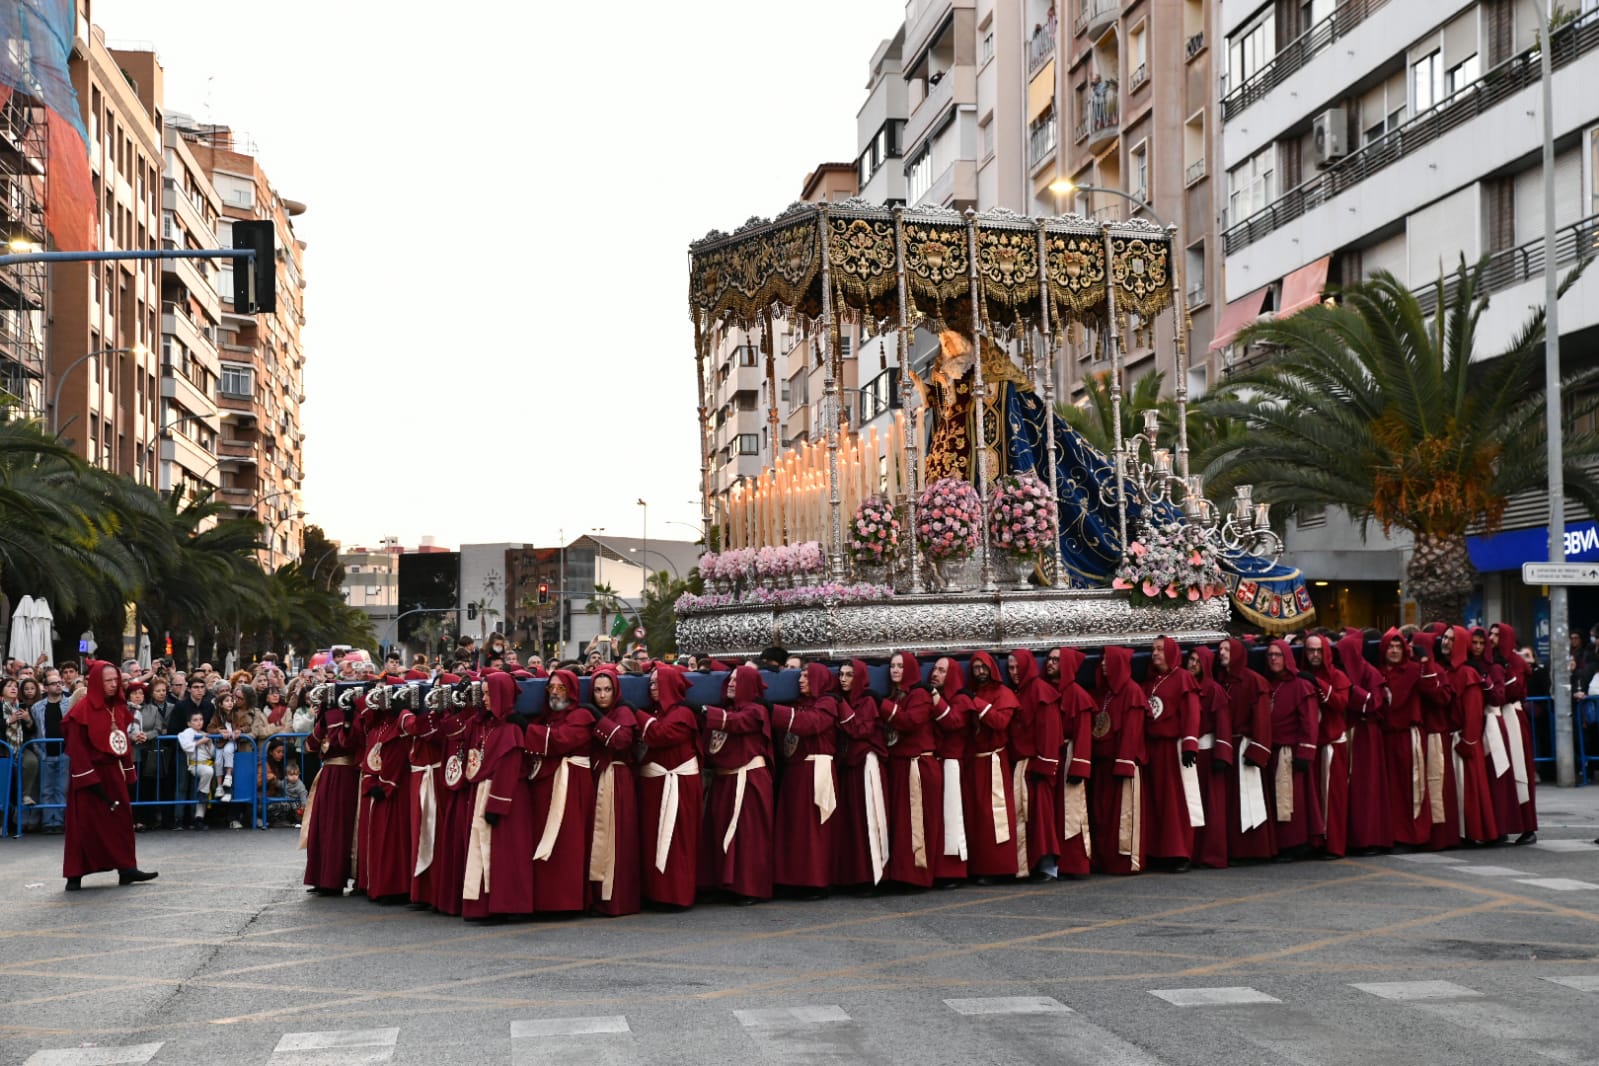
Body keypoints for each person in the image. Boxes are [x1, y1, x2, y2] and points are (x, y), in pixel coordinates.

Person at [61, 662, 156, 890]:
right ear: (96, 682)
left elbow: (122, 741)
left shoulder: (119, 708)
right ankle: (75, 874)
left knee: (122, 821)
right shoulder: (80, 711)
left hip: (114, 773)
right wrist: (89, 780)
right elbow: (77, 749)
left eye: (116, 680)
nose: (114, 685)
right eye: (108, 681)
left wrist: (128, 772)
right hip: (90, 777)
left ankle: (126, 868)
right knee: (85, 826)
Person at [699, 664, 775, 904]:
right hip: (725, 779)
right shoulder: (725, 710)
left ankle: (748, 887)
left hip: (748, 780)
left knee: (748, 837)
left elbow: (736, 722)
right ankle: (723, 883)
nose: (731, 683)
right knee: (720, 831)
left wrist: (704, 711)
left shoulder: (756, 711)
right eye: (729, 679)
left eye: (736, 680)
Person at [461, 671, 534, 920]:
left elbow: (509, 769)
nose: (484, 700)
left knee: (506, 853)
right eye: (482, 695)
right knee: (483, 850)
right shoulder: (485, 725)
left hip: (506, 799)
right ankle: (484, 905)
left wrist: (496, 804)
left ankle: (508, 904)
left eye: (488, 694)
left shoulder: (512, 729)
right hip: (484, 791)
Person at [525, 669, 596, 914]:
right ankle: (544, 898)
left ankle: (567, 900)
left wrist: (527, 729)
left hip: (571, 785)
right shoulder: (544, 718)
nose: (555, 692)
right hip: (545, 785)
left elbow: (561, 740)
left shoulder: (581, 716)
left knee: (569, 843)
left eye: (561, 687)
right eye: (551, 688)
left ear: (572, 691)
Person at [635, 664, 702, 908]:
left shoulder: (682, 713)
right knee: (654, 838)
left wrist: (637, 714)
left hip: (678, 786)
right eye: (650, 683)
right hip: (656, 785)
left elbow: (660, 735)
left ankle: (676, 895)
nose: (652, 687)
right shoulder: (657, 711)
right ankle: (656, 893)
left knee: (677, 840)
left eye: (656, 683)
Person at [772, 662, 840, 898]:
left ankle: (815, 881)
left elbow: (809, 724)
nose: (801, 680)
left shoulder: (828, 704)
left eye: (806, 677)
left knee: (813, 830)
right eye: (800, 676)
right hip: (796, 771)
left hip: (815, 771)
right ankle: (792, 878)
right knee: (793, 827)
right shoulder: (797, 705)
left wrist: (773, 711)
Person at [1141, 636, 1201, 872]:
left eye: (1159, 649)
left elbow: (1191, 713)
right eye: (1153, 650)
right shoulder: (1151, 682)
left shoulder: (1183, 678)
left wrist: (1189, 745)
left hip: (1173, 749)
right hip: (1153, 748)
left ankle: (1179, 852)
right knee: (1155, 802)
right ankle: (1157, 850)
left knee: (1175, 802)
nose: (1155, 654)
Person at [881, 651, 940, 889]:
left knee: (917, 822)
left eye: (900, 666)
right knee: (902, 823)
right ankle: (902, 873)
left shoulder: (920, 695)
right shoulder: (897, 696)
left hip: (918, 767)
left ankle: (916, 875)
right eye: (892, 666)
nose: (894, 670)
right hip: (901, 766)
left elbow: (910, 721)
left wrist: (883, 706)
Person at [587, 665, 642, 916]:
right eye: (597, 690)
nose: (602, 695)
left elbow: (622, 741)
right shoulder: (588, 713)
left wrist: (599, 720)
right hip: (596, 778)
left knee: (619, 838)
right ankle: (596, 896)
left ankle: (618, 898)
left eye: (607, 689)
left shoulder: (623, 712)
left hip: (618, 780)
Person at [1089, 646, 1149, 875]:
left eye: (1107, 660)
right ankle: (1103, 859)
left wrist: (1123, 763)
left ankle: (1123, 862)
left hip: (1121, 767)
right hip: (1103, 764)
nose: (1103, 664)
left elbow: (1132, 730)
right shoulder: (1104, 693)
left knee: (1121, 817)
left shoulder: (1132, 693)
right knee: (1102, 816)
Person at [1438, 626, 1498, 847]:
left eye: (1452, 639)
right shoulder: (1446, 669)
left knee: (1469, 789)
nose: (1446, 642)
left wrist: (1468, 741)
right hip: (1451, 738)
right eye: (1445, 638)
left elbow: (1473, 712)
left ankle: (1471, 832)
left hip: (1463, 741)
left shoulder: (1467, 674)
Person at [302, 684, 364, 896]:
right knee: (340, 827)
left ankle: (326, 878)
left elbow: (310, 744)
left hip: (333, 773)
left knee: (327, 826)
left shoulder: (329, 716)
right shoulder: (353, 714)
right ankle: (333, 878)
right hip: (347, 774)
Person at [833, 658, 889, 891]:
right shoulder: (845, 700)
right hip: (851, 766)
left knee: (869, 819)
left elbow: (861, 729)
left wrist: (843, 709)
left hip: (866, 766)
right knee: (853, 821)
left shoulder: (866, 701)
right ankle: (856, 875)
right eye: (841, 674)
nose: (843, 679)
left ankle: (872, 875)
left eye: (849, 675)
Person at [355, 685, 414, 903]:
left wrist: (387, 785)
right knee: (377, 838)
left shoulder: (397, 725)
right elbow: (371, 754)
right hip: (378, 784)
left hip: (395, 790)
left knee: (393, 839)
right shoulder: (378, 726)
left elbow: (397, 756)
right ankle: (376, 884)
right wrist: (371, 781)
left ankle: (393, 886)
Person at [1264, 640, 1321, 861]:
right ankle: (1283, 844)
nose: (1273, 659)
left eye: (1278, 655)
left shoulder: (1301, 685)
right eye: (1270, 655)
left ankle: (1297, 844)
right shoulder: (1269, 684)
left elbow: (1309, 722)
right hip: (1274, 751)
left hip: (1291, 753)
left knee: (1294, 802)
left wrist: (1306, 753)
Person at [1336, 630, 1392, 855]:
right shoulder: (1343, 672)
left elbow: (1375, 704)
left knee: (1367, 788)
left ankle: (1369, 838)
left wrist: (1351, 689)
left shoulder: (1371, 673)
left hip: (1366, 736)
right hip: (1349, 732)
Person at [965, 651, 1020, 884]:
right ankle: (980, 867)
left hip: (994, 762)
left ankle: (999, 867)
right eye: (975, 667)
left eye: (983, 667)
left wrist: (977, 704)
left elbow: (1000, 722)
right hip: (974, 762)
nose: (979, 671)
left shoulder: (1003, 693)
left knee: (994, 817)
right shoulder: (973, 692)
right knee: (976, 817)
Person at [1008, 649, 1061, 881]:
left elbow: (1049, 731)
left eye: (1017, 667)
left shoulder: (1041, 691)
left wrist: (1045, 765)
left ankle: (1046, 864)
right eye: (1010, 668)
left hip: (1037, 766)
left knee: (1042, 817)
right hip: (1023, 767)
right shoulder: (1019, 692)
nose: (1014, 672)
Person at [1468, 627, 1521, 844]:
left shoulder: (1494, 667)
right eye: (1475, 642)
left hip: (1491, 725)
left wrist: (1484, 681)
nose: (1479, 647)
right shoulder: (1468, 665)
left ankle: (1499, 829)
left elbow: (1499, 697)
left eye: (1482, 643)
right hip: (1475, 724)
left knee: (1496, 777)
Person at [1045, 647, 1094, 878]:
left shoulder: (1078, 696)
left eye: (1056, 660)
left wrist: (1079, 766)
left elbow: (1083, 734)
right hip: (1053, 756)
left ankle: (1075, 864)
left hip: (1068, 758)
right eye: (1050, 659)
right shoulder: (1049, 690)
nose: (1050, 663)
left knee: (1071, 812)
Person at [1302, 633, 1351, 858]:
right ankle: (1314, 843)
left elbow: (1341, 703)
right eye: (1310, 650)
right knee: (1311, 798)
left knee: (1334, 799)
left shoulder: (1338, 676)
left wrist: (1318, 684)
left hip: (1332, 746)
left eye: (1318, 650)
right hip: (1310, 747)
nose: (1314, 655)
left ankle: (1334, 844)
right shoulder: (1301, 676)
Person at [1185, 647, 1233, 869]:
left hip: (1207, 755)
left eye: (1197, 661)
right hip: (1188, 755)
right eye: (1191, 660)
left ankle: (1210, 854)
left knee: (1209, 807)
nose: (1192, 664)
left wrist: (1221, 755)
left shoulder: (1214, 690)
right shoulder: (1185, 687)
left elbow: (1223, 725)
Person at [1413, 631, 1461, 851]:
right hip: (1419, 734)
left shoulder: (1436, 670)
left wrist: (1426, 666)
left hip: (1434, 734)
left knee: (1436, 786)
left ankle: (1439, 836)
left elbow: (1441, 697)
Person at [1491, 623, 1537, 841]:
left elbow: (1513, 690)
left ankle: (1527, 826)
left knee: (1520, 770)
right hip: (1498, 718)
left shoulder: (1516, 661)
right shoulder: (1492, 659)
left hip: (1513, 718)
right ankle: (1503, 825)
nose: (1492, 638)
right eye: (1490, 633)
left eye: (1497, 635)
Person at [928, 656, 969, 885]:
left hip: (952, 764)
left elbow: (953, 722)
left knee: (952, 819)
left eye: (942, 671)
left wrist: (935, 698)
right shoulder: (935, 697)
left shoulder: (961, 699)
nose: (935, 674)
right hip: (937, 763)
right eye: (934, 669)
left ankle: (952, 871)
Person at [31, 669, 74, 833]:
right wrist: (39, 752)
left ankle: (61, 820)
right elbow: (34, 731)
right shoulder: (37, 707)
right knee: (46, 789)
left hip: (65, 752)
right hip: (45, 752)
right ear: (46, 687)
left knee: (63, 788)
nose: (58, 686)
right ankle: (49, 822)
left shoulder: (69, 703)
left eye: (60, 683)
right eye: (54, 684)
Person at [176, 710, 217, 829]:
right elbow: (186, 747)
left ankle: (199, 818)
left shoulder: (205, 733)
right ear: (189, 723)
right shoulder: (186, 732)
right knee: (208, 773)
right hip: (195, 764)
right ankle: (202, 794)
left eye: (201, 719)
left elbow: (212, 754)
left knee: (210, 777)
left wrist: (209, 743)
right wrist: (200, 741)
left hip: (207, 763)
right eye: (195, 720)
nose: (199, 722)